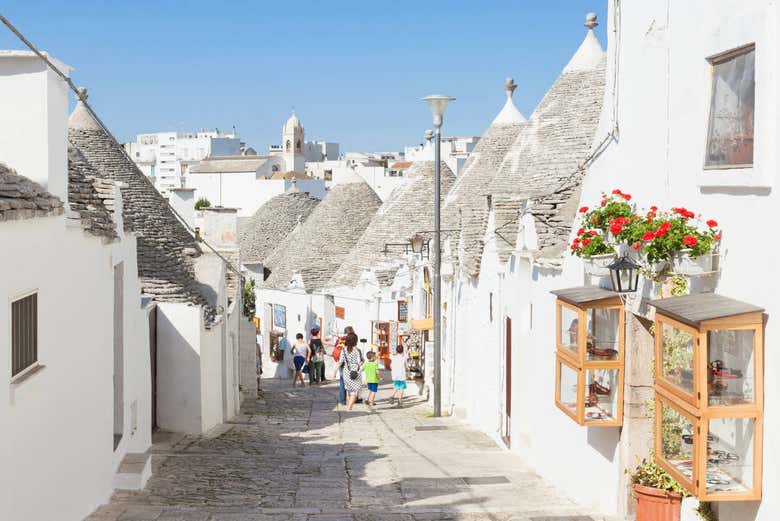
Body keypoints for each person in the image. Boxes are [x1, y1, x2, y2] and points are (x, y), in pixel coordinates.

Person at [338, 332, 363, 410]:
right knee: (354, 392)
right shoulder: (357, 350)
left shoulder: (344, 350)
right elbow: (359, 362)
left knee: (348, 391)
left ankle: (348, 407)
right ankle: (349, 408)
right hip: (355, 371)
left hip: (346, 371)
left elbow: (340, 361)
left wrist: (335, 370)